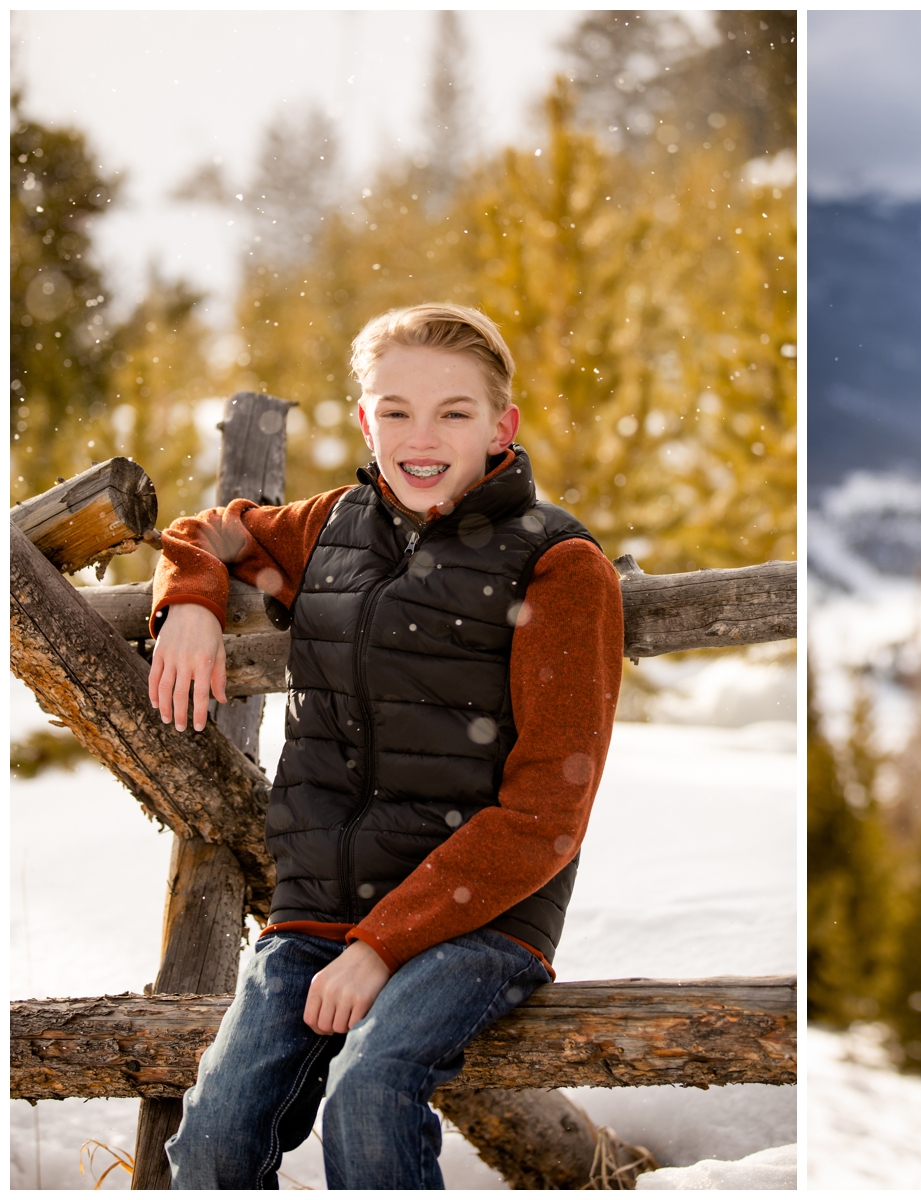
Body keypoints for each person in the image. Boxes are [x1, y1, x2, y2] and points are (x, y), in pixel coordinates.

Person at [156, 303, 625, 1189]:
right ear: (366, 420)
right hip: (314, 914)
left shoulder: (558, 568)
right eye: (396, 410)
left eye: (455, 412)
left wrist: (383, 943)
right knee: (214, 1139)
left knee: (369, 1092)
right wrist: (191, 596)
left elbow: (548, 812)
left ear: (502, 427)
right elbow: (212, 530)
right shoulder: (328, 529)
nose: (423, 436)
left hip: (477, 923)